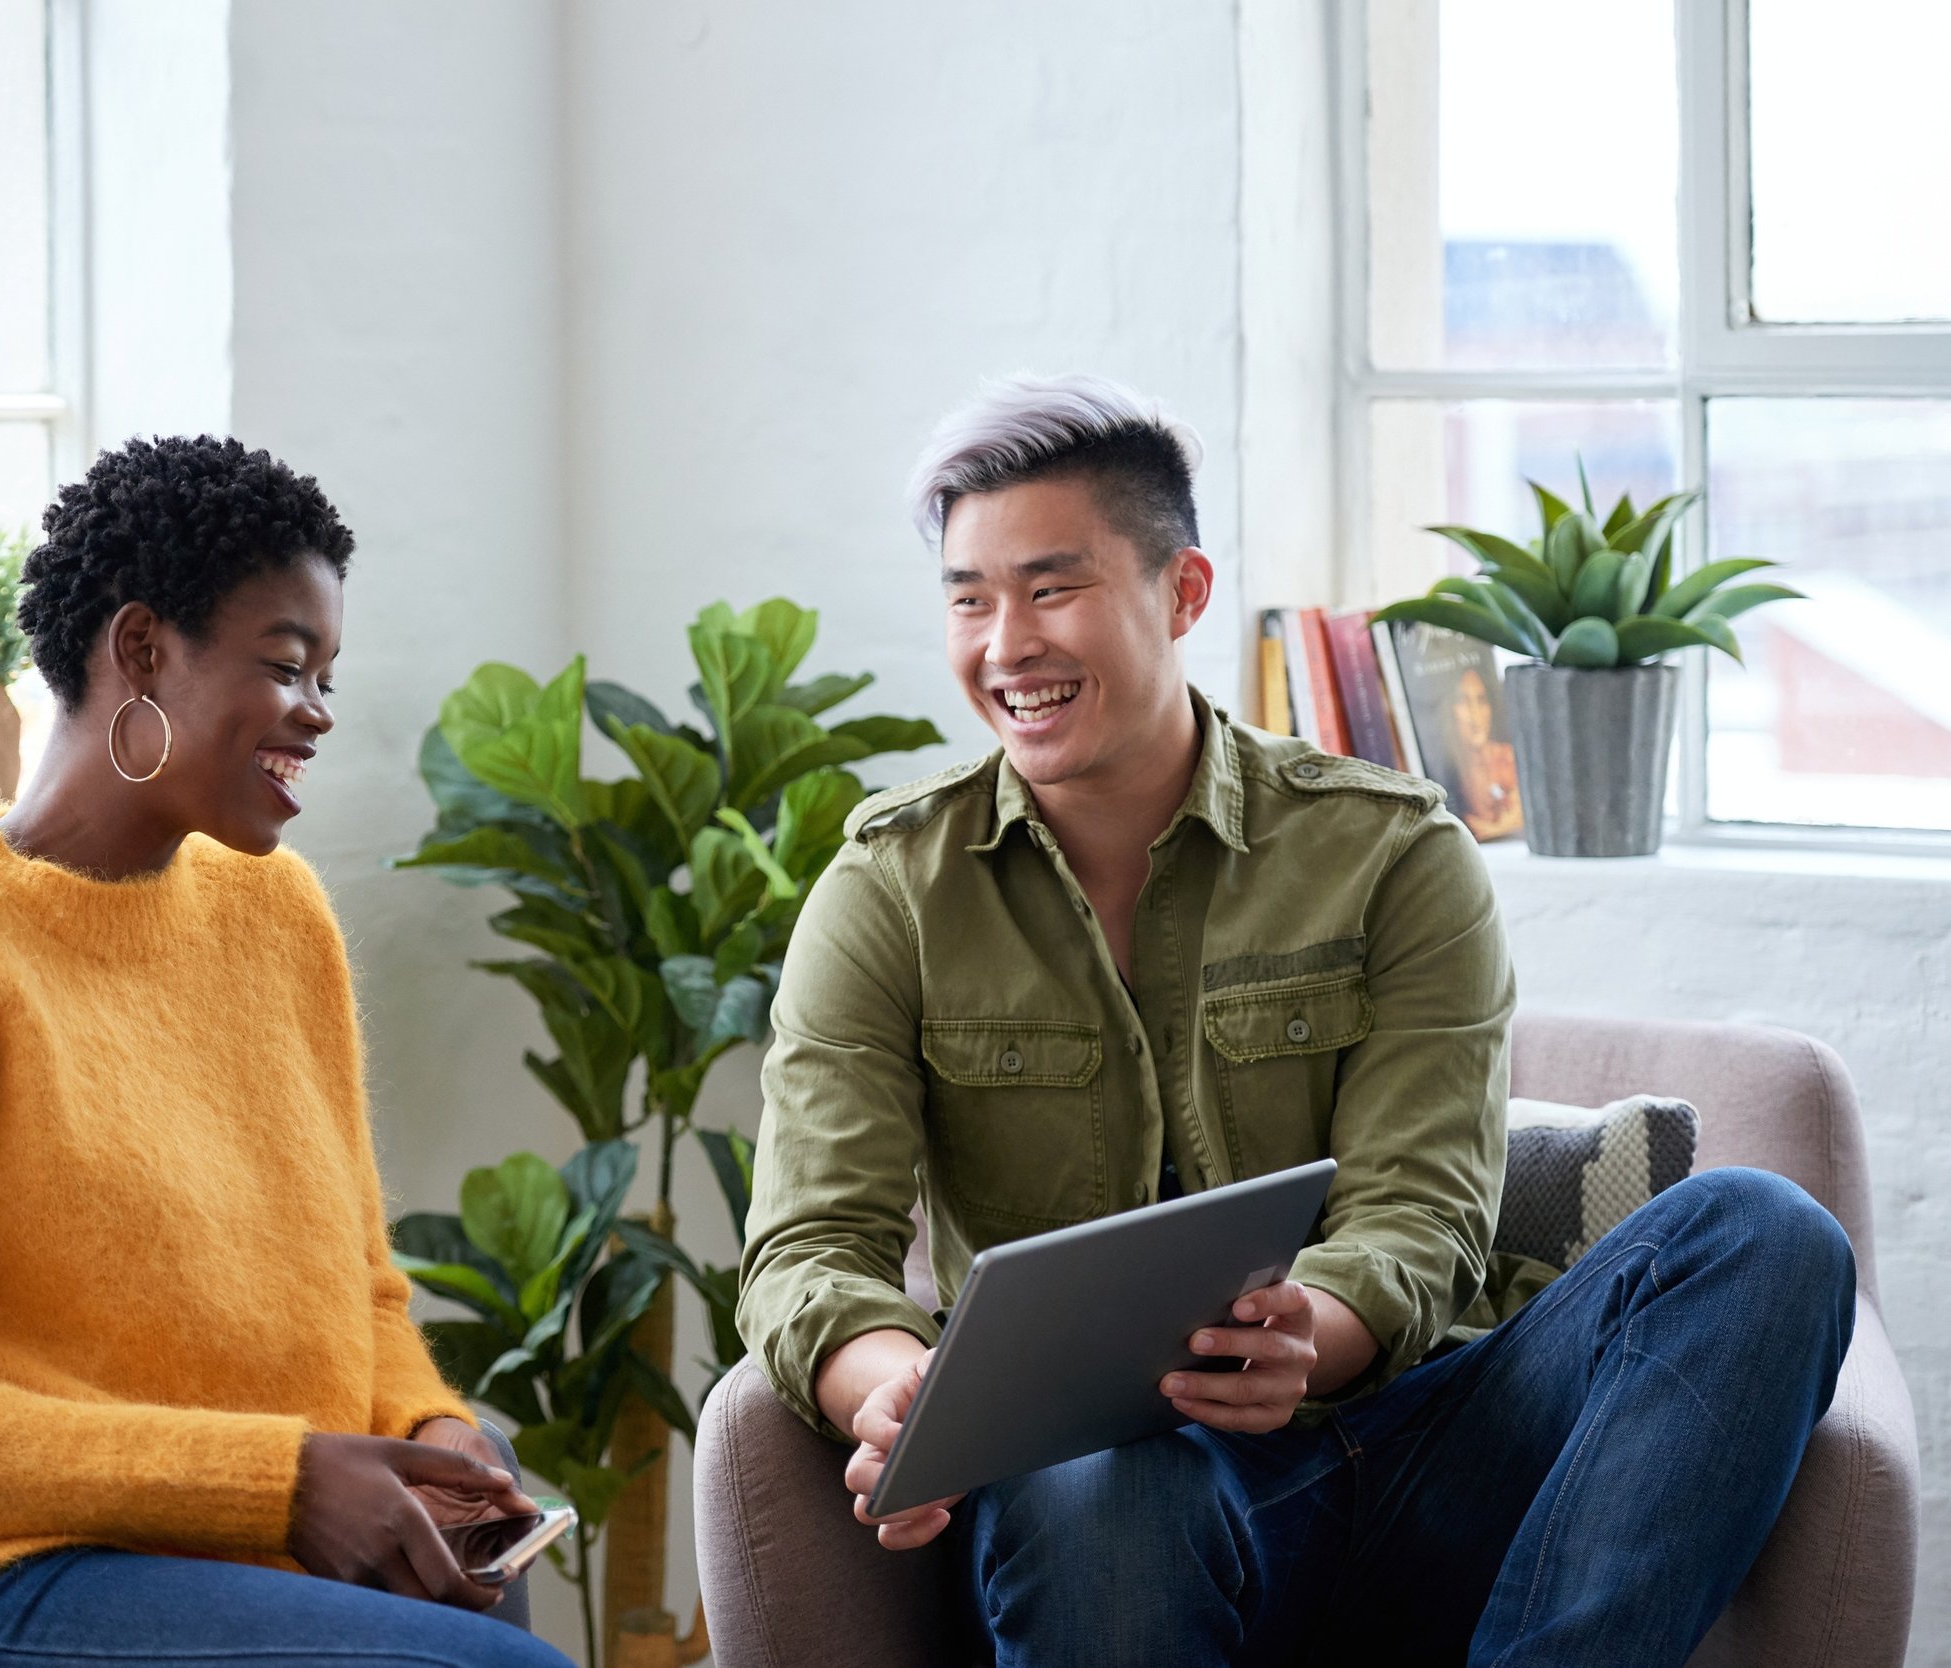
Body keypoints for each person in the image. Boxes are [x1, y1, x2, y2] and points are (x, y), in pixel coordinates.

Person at [734, 375, 1855, 1666]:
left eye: (1051, 589)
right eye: (969, 600)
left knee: (1764, 1233)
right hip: (1115, 1499)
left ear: (1183, 593)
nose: (1006, 645)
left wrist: (1309, 1338)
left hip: (1423, 1450)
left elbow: (1421, 1210)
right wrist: (893, 1388)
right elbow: (811, 1247)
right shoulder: (888, 892)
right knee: (1105, 1483)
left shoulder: (1390, 852)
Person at [0, 435, 570, 1668]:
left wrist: (432, 1430)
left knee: (493, 1593)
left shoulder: (275, 916)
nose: (318, 713)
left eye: (328, 672)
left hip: (223, 1563)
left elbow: (361, 1295)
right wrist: (269, 1482)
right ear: (140, 650)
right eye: (287, 667)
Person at [1444, 663, 1520, 839]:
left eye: (1481, 700)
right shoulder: (1450, 772)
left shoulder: (1507, 758)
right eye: (1464, 701)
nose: (1475, 714)